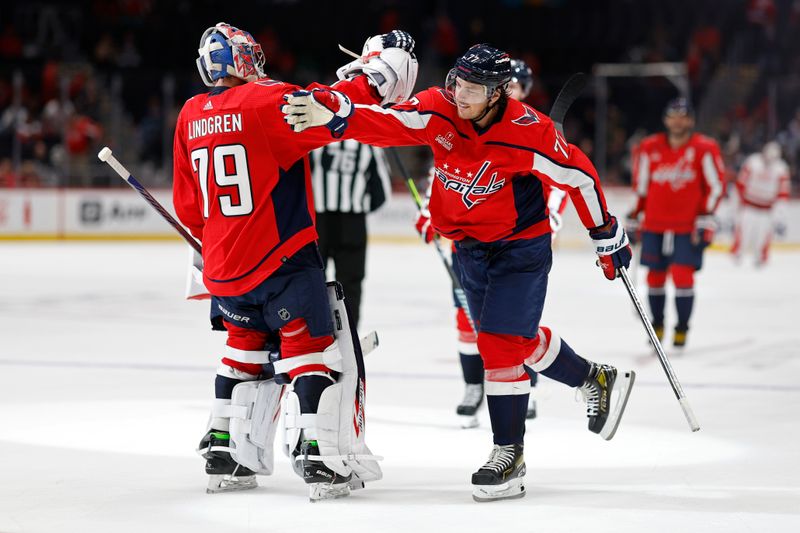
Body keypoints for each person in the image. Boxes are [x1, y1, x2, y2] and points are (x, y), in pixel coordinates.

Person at [283, 43, 636, 503]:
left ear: (496, 93)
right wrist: (336, 114)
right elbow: (389, 123)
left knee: (498, 345)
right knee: (513, 340)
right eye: (457, 84)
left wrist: (606, 235)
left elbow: (578, 177)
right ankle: (594, 378)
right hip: (469, 249)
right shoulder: (441, 109)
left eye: (472, 89)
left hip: (519, 250)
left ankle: (508, 455)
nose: (460, 95)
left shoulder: (527, 133)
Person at [172, 22, 417, 500]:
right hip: (282, 259)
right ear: (243, 60)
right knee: (315, 351)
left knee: (244, 349)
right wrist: (374, 74)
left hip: (225, 268)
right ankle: (318, 455)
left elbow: (187, 210)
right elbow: (321, 107)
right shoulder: (264, 102)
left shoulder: (188, 115)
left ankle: (227, 449)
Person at [416, 58, 569, 429]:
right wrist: (426, 211)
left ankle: (524, 386)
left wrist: (553, 214)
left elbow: (560, 180)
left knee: (513, 325)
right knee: (468, 321)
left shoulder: (528, 128)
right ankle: (473, 387)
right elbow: (443, 173)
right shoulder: (459, 119)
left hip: (513, 240)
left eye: (516, 86)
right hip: (468, 241)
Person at [627, 98, 725, 349]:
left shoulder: (705, 148)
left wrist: (706, 216)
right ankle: (657, 325)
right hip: (654, 223)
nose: (678, 120)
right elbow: (641, 186)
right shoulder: (649, 147)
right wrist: (635, 213)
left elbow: (716, 186)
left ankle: (682, 328)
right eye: (673, 115)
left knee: (683, 277)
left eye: (683, 115)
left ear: (691, 120)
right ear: (666, 119)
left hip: (688, 225)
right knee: (655, 277)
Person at [311, 140, 392, 329]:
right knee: (350, 283)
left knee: (312, 279)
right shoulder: (368, 143)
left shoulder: (314, 137)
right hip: (352, 223)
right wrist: (359, 206)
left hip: (317, 221)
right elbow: (382, 192)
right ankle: (349, 333)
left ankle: (316, 333)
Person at [731, 141, 790, 266]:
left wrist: (780, 212)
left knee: (762, 237)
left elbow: (783, 193)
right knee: (743, 233)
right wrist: (737, 203)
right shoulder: (752, 162)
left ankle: (760, 258)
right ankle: (737, 255)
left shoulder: (781, 169)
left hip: (766, 210)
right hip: (749, 206)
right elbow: (740, 184)